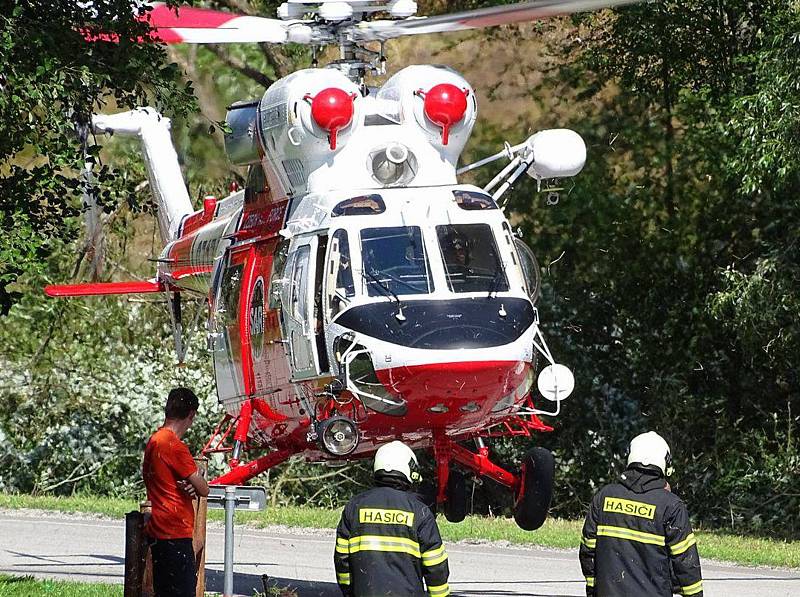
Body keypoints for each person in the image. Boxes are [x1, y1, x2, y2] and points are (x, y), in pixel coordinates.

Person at [579, 431, 703, 597]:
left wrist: (593, 590)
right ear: (664, 463)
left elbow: (588, 552)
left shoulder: (604, 497)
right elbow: (686, 564)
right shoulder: (671, 506)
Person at [334, 441, 450, 597]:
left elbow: (342, 559)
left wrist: (349, 591)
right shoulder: (419, 511)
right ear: (409, 470)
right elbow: (435, 565)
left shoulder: (354, 507)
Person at [142, 387, 210, 597]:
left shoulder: (155, 441)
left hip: (159, 532)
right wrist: (195, 480)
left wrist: (186, 484)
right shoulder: (174, 445)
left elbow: (167, 479)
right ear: (191, 414)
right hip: (176, 534)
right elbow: (203, 489)